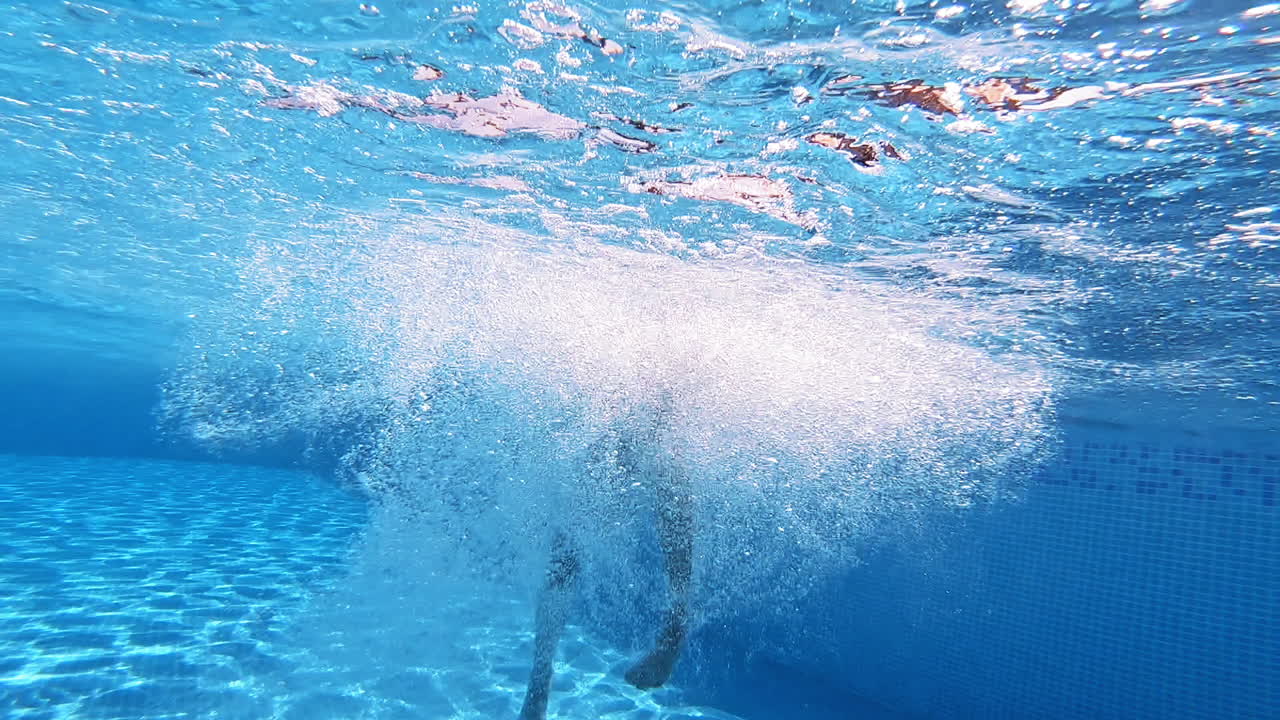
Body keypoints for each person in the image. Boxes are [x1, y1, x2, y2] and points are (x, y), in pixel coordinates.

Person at [519, 408, 694, 720]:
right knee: (566, 548)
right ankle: (539, 681)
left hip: (655, 416)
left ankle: (673, 638)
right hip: (613, 416)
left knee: (673, 489)